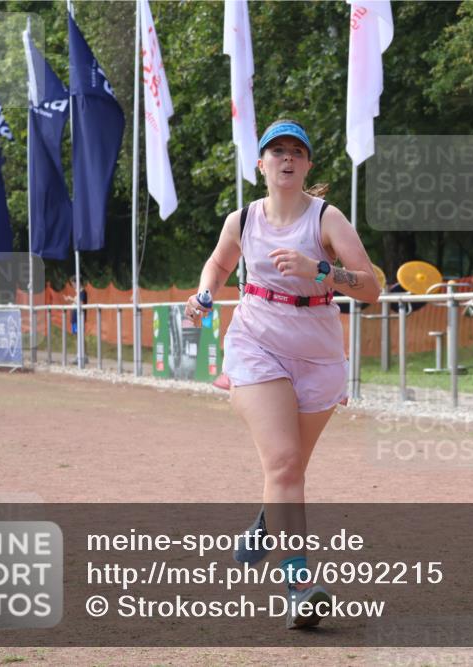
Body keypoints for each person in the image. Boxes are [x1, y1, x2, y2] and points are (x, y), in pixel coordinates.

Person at [186, 119, 381, 629]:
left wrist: (321, 270)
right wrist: (204, 294)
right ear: (261, 164)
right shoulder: (243, 219)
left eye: (297, 150)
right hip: (257, 344)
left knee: (289, 471)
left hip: (318, 353)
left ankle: (266, 523)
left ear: (308, 164)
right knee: (286, 463)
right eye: (277, 151)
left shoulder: (327, 219)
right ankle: (298, 587)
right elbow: (219, 265)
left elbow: (371, 288)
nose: (287, 158)